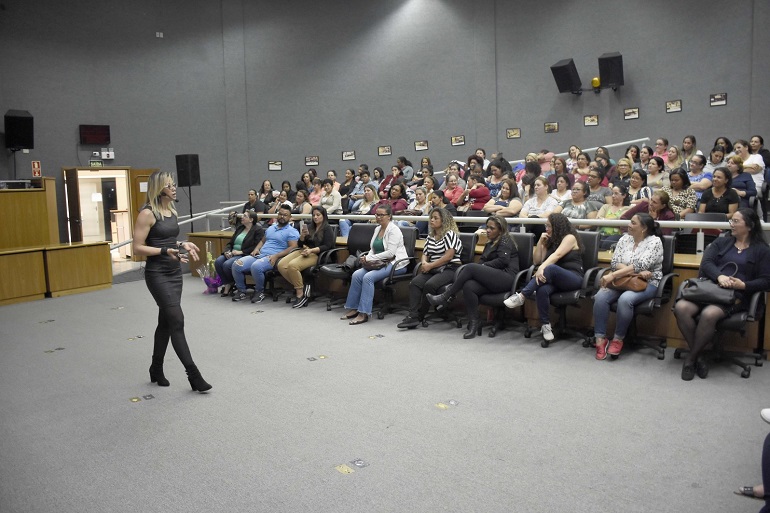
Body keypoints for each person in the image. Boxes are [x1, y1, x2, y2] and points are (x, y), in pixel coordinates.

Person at [131, 171, 211, 392]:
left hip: (174, 272)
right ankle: (193, 376)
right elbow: (137, 247)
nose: (174, 188)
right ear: (159, 189)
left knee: (165, 322)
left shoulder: (172, 210)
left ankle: (155, 368)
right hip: (157, 273)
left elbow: (166, 239)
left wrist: (181, 244)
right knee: (177, 320)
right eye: (169, 185)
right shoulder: (147, 213)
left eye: (174, 184)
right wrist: (165, 250)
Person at [673, 208, 770, 380]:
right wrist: (720, 276)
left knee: (709, 313)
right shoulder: (722, 242)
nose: (731, 224)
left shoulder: (762, 250)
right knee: (681, 307)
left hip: (736, 296)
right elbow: (707, 262)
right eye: (731, 221)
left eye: (736, 221)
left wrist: (744, 285)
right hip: (710, 289)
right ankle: (699, 356)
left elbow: (766, 281)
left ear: (749, 226)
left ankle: (690, 359)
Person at [426, 215, 519, 339]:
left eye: (492, 228)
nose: (488, 230)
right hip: (493, 279)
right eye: (487, 227)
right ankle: (475, 322)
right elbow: (481, 262)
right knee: (469, 286)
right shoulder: (489, 243)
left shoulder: (505, 240)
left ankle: (447, 295)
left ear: (500, 230)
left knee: (470, 267)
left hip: (506, 278)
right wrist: (481, 268)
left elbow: (503, 261)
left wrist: (482, 267)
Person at [592, 213, 664, 360]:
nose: (629, 225)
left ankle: (618, 339)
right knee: (600, 296)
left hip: (646, 283)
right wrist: (631, 270)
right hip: (623, 280)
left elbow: (641, 265)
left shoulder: (654, 242)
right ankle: (600, 339)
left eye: (633, 223)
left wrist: (614, 275)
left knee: (625, 299)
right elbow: (614, 262)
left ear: (643, 228)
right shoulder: (625, 238)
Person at [503, 213, 584, 342]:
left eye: (549, 226)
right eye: (545, 226)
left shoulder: (570, 237)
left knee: (550, 268)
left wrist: (542, 267)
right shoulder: (550, 240)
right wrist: (541, 243)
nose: (546, 229)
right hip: (554, 279)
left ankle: (522, 296)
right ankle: (545, 325)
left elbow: (557, 256)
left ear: (557, 226)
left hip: (573, 278)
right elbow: (537, 261)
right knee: (542, 289)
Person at [341, 204, 409, 325]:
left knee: (368, 277)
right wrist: (368, 258)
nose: (378, 217)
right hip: (378, 263)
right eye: (377, 214)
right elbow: (373, 248)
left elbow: (390, 253)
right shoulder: (377, 229)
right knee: (357, 275)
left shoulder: (394, 230)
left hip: (395, 264)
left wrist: (369, 258)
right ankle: (354, 308)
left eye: (381, 215)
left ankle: (364, 313)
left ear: (389, 216)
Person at [397, 208, 463, 329]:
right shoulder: (431, 236)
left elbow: (448, 256)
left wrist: (430, 265)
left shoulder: (450, 234)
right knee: (415, 283)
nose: (432, 220)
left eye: (435, 218)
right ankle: (412, 315)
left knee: (430, 285)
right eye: (431, 218)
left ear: (444, 220)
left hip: (450, 268)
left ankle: (419, 315)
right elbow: (425, 254)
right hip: (433, 268)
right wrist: (424, 263)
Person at [231, 204, 299, 303]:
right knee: (237, 264)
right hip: (260, 255)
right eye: (280, 214)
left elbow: (293, 247)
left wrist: (277, 256)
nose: (282, 217)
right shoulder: (271, 227)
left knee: (256, 266)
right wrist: (256, 249)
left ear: (290, 217)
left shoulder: (292, 231)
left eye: (285, 215)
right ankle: (241, 291)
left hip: (274, 258)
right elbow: (262, 241)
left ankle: (259, 292)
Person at [277, 206, 335, 309]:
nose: (315, 217)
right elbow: (300, 244)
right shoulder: (309, 227)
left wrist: (311, 250)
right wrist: (302, 237)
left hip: (317, 254)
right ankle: (302, 287)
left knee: (292, 266)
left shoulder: (327, 228)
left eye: (318, 215)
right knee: (281, 264)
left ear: (324, 216)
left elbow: (327, 246)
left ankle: (300, 294)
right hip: (304, 250)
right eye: (314, 215)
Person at [215, 210, 264, 297]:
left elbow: (256, 246)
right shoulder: (240, 228)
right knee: (218, 262)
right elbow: (230, 243)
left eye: (245, 216)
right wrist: (227, 251)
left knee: (226, 264)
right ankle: (228, 283)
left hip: (244, 254)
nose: (242, 217)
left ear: (251, 219)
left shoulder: (258, 230)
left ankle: (231, 283)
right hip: (232, 252)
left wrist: (241, 252)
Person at [596, 185, 631, 249]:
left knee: (606, 244)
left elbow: (620, 220)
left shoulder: (627, 209)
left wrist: (603, 220)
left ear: (624, 195)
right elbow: (598, 219)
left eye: (616, 193)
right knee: (593, 243)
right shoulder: (605, 206)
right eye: (612, 193)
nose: (613, 196)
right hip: (601, 233)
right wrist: (614, 222)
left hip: (618, 235)